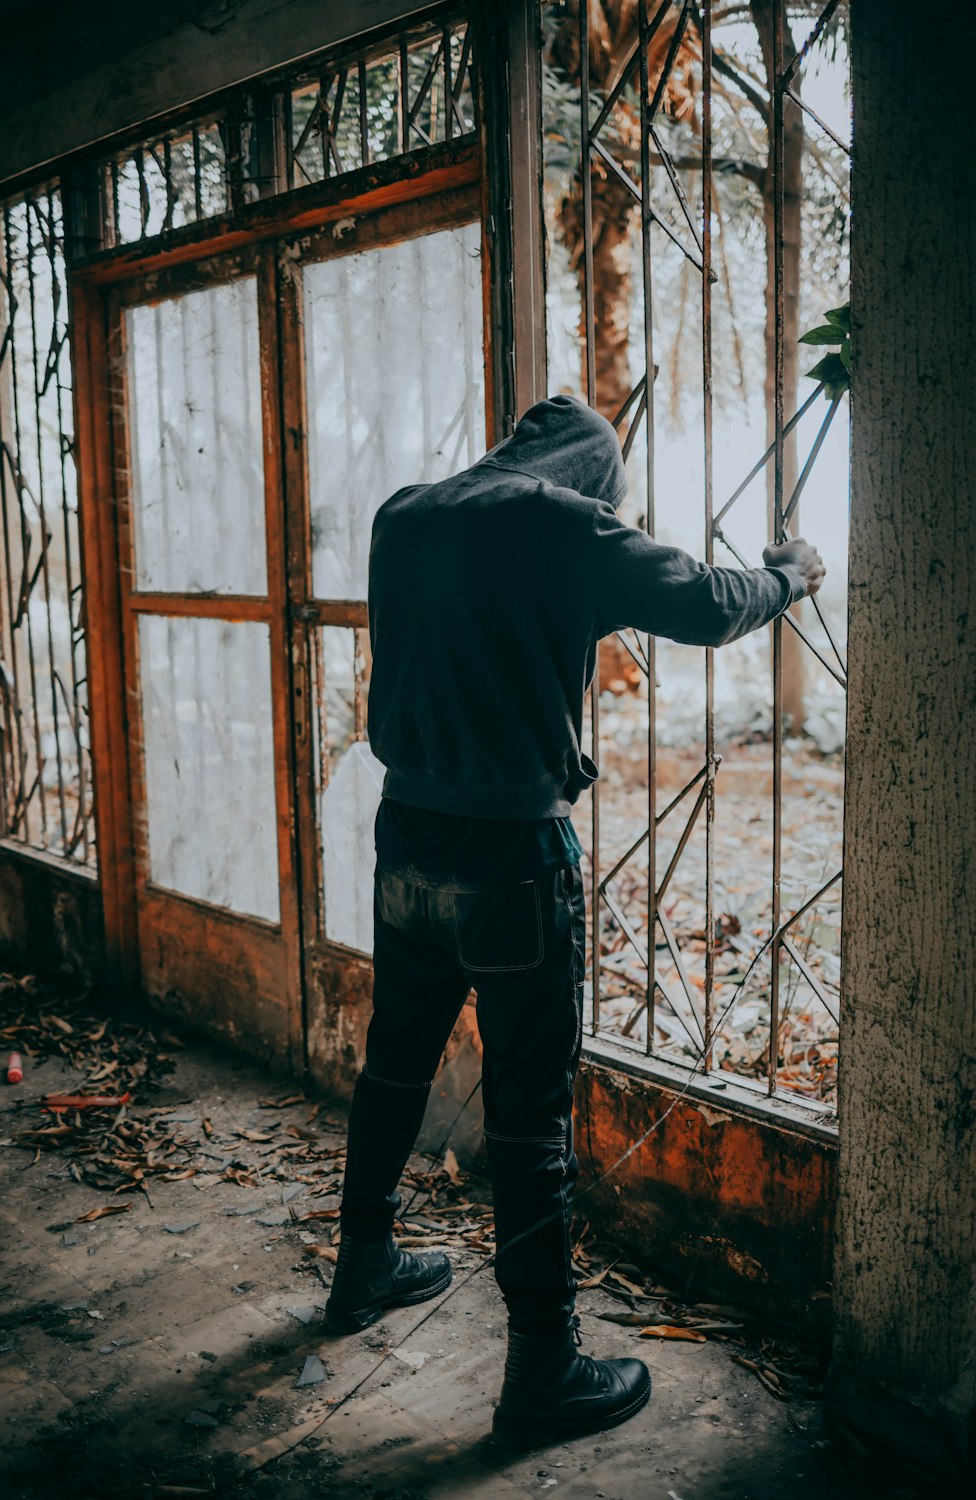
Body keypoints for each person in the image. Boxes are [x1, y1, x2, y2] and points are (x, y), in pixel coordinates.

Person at [324, 394, 825, 1449]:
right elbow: (704, 603)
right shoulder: (562, 522)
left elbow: (481, 624)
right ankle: (543, 1370)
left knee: (394, 1063)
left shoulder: (405, 515)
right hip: (510, 858)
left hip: (406, 836)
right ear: (592, 478)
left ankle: (362, 1263)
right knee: (528, 1118)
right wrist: (790, 571)